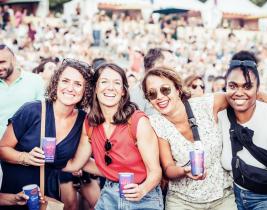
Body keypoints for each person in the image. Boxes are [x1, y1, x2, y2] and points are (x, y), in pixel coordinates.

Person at [63, 62, 163, 210]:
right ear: (95, 88)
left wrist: (142, 190)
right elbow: (77, 164)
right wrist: (43, 159)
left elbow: (155, 172)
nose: (110, 87)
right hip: (109, 196)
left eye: (117, 83)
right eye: (104, 82)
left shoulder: (138, 121)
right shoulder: (90, 124)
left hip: (144, 197)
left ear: (123, 91)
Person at [0, 58, 94, 210]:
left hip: (49, 198)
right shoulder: (32, 110)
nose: (70, 88)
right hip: (15, 196)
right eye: (65, 81)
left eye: (78, 84)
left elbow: (75, 163)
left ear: (86, 90)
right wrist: (25, 157)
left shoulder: (83, 120)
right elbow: (2, 148)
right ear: (56, 83)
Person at [141, 66, 236, 210]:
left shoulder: (204, 105)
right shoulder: (157, 123)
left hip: (221, 198)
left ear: (178, 89)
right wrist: (184, 171)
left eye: (165, 89)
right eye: (152, 94)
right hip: (182, 202)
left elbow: (241, 95)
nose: (159, 96)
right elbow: (168, 168)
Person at [219, 51, 267, 210]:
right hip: (233, 197)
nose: (239, 92)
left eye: (247, 86)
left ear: (258, 89)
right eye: (233, 86)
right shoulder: (221, 115)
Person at [0, 44, 44, 138]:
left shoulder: (35, 81)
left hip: (26, 148)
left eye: (2, 62)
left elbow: (44, 116)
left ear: (14, 60)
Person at [130, 48, 176, 116]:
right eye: (170, 61)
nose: (174, 66)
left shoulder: (170, 87)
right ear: (155, 65)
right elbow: (135, 121)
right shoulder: (138, 91)